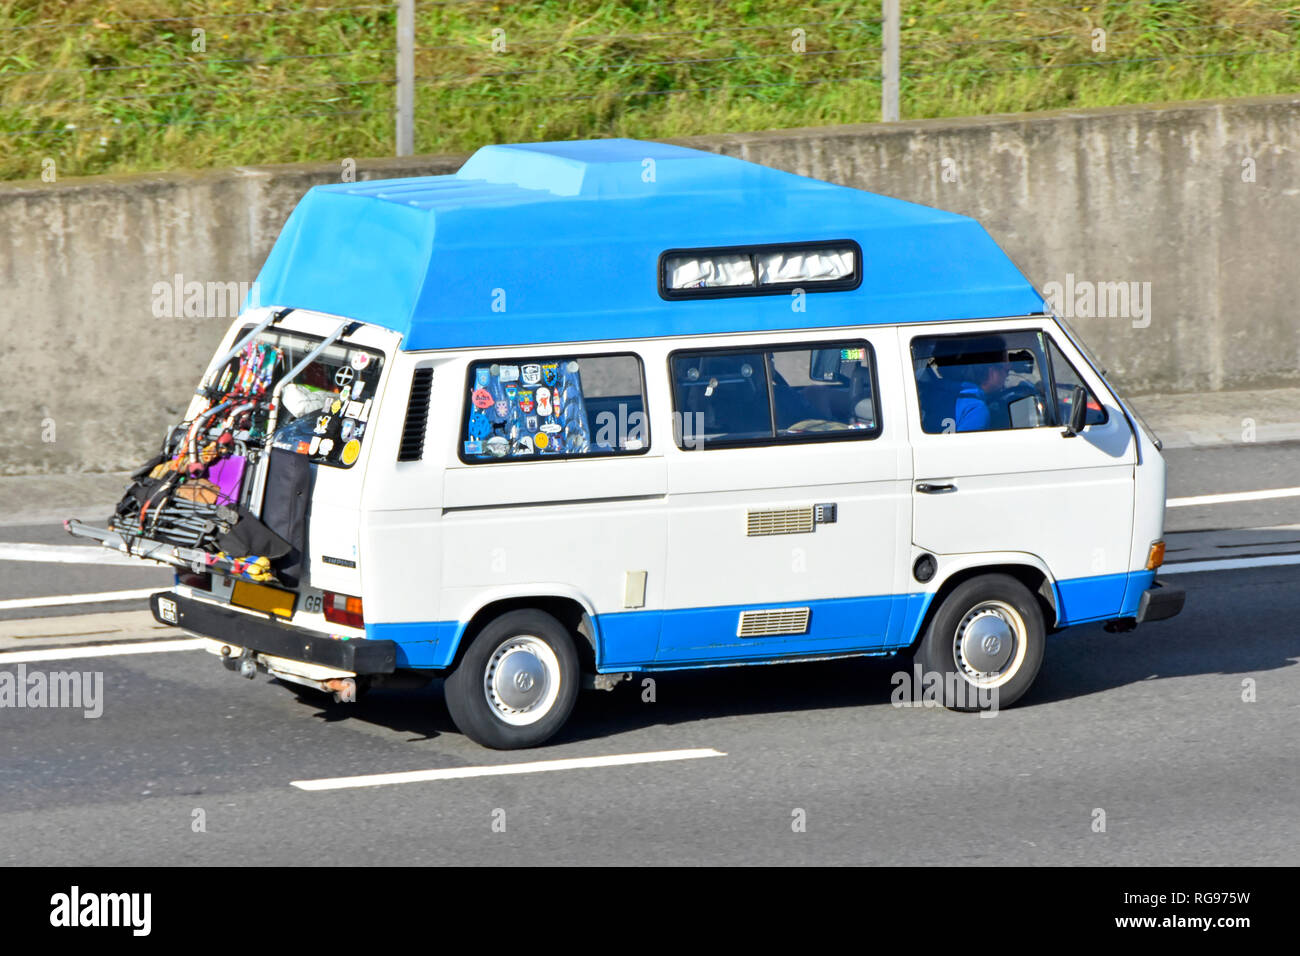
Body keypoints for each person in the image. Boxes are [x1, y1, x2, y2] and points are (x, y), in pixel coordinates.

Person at [951, 335, 1011, 432]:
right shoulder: (976, 409)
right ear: (992, 372)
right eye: (1006, 370)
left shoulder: (951, 392)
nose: (1007, 376)